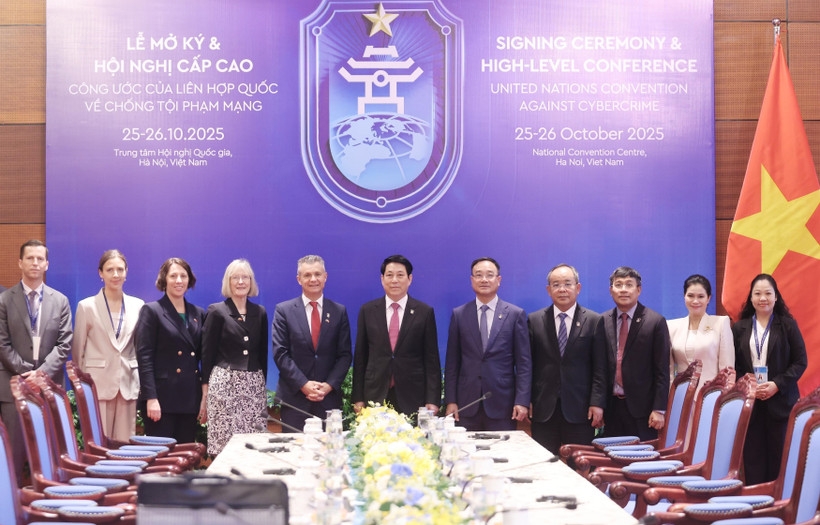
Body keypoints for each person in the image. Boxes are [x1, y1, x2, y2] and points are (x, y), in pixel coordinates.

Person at [0, 239, 72, 485]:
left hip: (48, 387)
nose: (35, 263)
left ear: (47, 264)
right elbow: (2, 343)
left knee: (49, 455)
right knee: (14, 457)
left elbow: (64, 344)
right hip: (13, 389)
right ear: (20, 262)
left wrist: (40, 374)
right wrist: (26, 372)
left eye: (40, 259)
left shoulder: (60, 301)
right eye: (30, 258)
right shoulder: (4, 300)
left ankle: (46, 510)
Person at [732, 273, 807, 484]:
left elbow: (800, 362)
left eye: (768, 293)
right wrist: (748, 386)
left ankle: (779, 507)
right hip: (751, 403)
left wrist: (776, 384)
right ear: (751, 298)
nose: (762, 298)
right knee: (753, 459)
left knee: (780, 459)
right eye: (757, 293)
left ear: (776, 297)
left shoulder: (788, 325)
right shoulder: (739, 328)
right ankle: (756, 507)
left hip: (780, 402)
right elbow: (735, 366)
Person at [444, 257, 531, 431]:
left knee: (502, 454)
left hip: (503, 404)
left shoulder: (515, 314)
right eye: (478, 275)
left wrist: (521, 401)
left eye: (489, 275)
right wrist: (451, 401)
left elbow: (524, 364)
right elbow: (452, 363)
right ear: (472, 280)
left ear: (498, 280)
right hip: (466, 404)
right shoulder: (459, 314)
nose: (484, 279)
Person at [528, 264, 606, 453]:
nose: (562, 289)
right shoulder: (534, 320)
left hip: (580, 409)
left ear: (577, 288)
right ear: (549, 290)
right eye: (556, 284)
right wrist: (526, 399)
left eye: (567, 284)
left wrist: (597, 402)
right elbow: (527, 365)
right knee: (544, 464)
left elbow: (600, 368)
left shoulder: (594, 321)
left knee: (579, 465)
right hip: (544, 408)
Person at [352, 254, 441, 417]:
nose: (394, 280)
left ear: (410, 279)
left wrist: (433, 399)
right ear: (382, 278)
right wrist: (358, 398)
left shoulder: (424, 312)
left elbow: (432, 360)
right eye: (389, 275)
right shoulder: (368, 311)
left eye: (400, 275)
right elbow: (360, 358)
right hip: (375, 395)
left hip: (413, 395)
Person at [272, 255, 352, 432]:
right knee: (294, 455)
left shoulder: (338, 311)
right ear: (299, 279)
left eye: (317, 274)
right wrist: (304, 385)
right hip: (295, 399)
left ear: (325, 277)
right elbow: (281, 353)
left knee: (330, 454)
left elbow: (345, 355)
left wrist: (329, 385)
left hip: (328, 399)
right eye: (307, 275)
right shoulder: (284, 310)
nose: (313, 279)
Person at [72, 249, 144, 442]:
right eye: (110, 269)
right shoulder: (86, 306)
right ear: (100, 273)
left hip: (127, 384)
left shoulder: (138, 306)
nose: (115, 274)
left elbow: (139, 347)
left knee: (124, 446)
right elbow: (78, 352)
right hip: (97, 384)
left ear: (126, 272)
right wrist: (82, 387)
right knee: (99, 444)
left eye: (120, 269)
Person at [201, 259, 268, 455]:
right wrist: (205, 391)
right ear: (228, 282)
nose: (240, 282)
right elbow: (207, 354)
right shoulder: (217, 311)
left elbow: (262, 353)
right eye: (235, 277)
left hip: (253, 386)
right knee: (224, 445)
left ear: (251, 281)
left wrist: (261, 383)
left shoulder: (260, 312)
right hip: (224, 386)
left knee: (254, 446)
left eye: (245, 277)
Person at [136, 258, 206, 443]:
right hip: (162, 400)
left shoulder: (198, 313)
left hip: (189, 399)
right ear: (164, 279)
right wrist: (151, 397)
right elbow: (144, 358)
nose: (179, 280)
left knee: (184, 459)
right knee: (162, 460)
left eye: (183, 276)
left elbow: (202, 357)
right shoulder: (152, 311)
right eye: (173, 276)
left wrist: (203, 397)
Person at [598, 266, 670, 441]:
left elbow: (662, 370)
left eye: (629, 284)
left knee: (641, 463)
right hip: (611, 408)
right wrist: (598, 404)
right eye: (618, 284)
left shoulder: (655, 321)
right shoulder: (603, 320)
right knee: (611, 460)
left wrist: (658, 409)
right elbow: (599, 368)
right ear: (611, 290)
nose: (623, 289)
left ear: (638, 290)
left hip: (643, 411)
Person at [667, 274, 734, 390]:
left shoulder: (721, 323)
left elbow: (727, 369)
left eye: (701, 296)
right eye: (690, 296)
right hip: (680, 396)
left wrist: (723, 396)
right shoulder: (671, 326)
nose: (695, 301)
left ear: (708, 298)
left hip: (710, 396)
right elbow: (669, 369)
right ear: (684, 297)